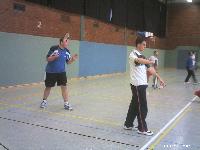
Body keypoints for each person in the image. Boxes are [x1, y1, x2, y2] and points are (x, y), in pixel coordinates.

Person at [123, 36, 165, 136]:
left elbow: (150, 69)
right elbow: (139, 61)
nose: (145, 46)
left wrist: (159, 78)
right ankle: (142, 128)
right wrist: (149, 61)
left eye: (146, 45)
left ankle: (128, 124)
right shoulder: (132, 54)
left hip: (142, 84)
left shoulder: (143, 56)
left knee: (134, 105)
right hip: (137, 85)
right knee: (142, 107)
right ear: (138, 44)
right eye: (144, 44)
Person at [40, 35, 78, 110]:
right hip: (51, 72)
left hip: (61, 72)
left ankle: (66, 104)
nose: (67, 43)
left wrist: (73, 59)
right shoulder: (54, 48)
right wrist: (54, 57)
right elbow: (47, 59)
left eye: (68, 41)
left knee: (64, 87)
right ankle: (44, 101)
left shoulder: (67, 51)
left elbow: (68, 62)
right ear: (61, 42)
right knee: (48, 87)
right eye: (66, 41)